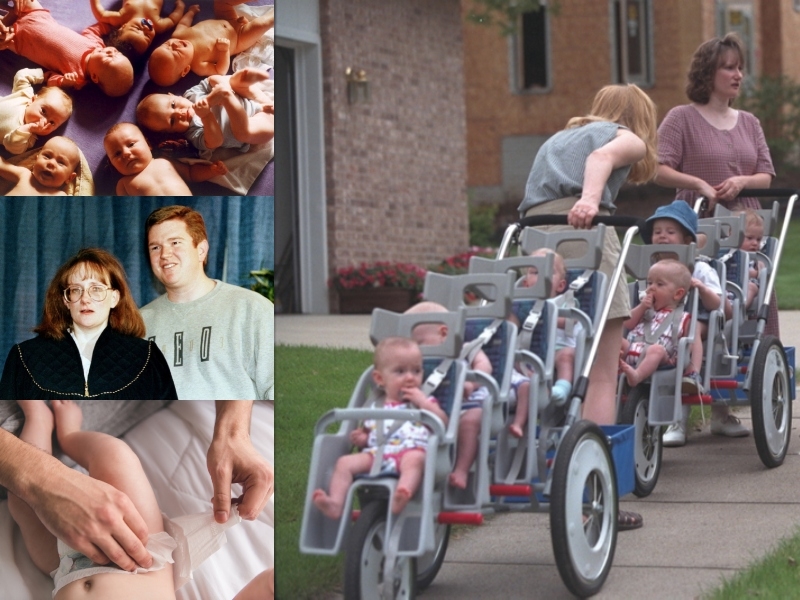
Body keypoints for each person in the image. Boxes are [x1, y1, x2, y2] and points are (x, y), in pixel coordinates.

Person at [517, 83, 657, 531]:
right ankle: (591, 490)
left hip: (535, 238)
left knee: (542, 349)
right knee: (602, 369)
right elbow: (600, 162)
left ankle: (538, 453)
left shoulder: (560, 138)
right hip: (585, 233)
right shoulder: (624, 136)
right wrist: (591, 200)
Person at [655, 32, 779, 339]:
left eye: (740, 68)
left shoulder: (750, 122)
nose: (738, 75)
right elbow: (657, 169)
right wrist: (698, 183)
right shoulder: (680, 118)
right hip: (699, 224)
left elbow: (766, 175)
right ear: (707, 72)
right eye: (729, 67)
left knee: (755, 296)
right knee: (703, 300)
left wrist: (742, 181)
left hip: (746, 227)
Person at [7, 400, 177, 599]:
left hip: (63, 568)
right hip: (136, 550)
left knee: (20, 500)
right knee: (115, 456)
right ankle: (70, 435)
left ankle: (39, 419)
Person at [0, 247, 177, 399]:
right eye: (76, 290)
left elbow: (170, 427)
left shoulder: (147, 356)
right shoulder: (25, 357)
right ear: (65, 300)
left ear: (114, 298)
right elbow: (5, 429)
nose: (85, 299)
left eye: (96, 289)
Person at [641, 200, 748, 445]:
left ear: (687, 239)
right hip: (662, 322)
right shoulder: (653, 268)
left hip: (700, 321)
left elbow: (722, 306)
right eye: (658, 232)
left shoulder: (700, 268)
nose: (662, 237)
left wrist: (700, 289)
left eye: (670, 232)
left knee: (688, 332)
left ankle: (687, 398)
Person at [140, 205, 273, 400]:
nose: (164, 254)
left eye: (175, 243)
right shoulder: (138, 324)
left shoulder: (252, 309)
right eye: (155, 247)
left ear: (201, 250)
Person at [312, 337, 448, 519]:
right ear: (379, 378)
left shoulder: (424, 401)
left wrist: (423, 403)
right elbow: (370, 434)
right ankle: (336, 503)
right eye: (400, 371)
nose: (410, 377)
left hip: (408, 452)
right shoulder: (375, 405)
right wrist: (362, 438)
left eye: (416, 371)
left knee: (416, 460)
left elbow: (442, 422)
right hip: (376, 454)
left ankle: (403, 492)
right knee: (344, 463)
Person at [405, 301, 493, 489]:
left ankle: (461, 469)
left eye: (419, 343)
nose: (417, 349)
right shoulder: (416, 360)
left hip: (467, 404)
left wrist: (471, 383)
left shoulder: (466, 348)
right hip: (433, 407)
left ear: (444, 333)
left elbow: (485, 367)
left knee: (471, 421)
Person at [0, 0, 134, 97]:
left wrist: (63, 82)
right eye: (117, 52)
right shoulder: (97, 45)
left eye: (109, 58)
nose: (111, 51)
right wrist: (110, 26)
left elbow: (49, 78)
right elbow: (92, 31)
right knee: (28, 1)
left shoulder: (77, 78)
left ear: (94, 76)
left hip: (20, 40)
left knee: (2, 37)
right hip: (38, 16)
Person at [509, 248, 577, 438]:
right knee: (514, 359)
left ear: (561, 284)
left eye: (549, 272)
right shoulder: (523, 304)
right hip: (532, 353)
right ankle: (534, 384)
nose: (541, 277)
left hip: (559, 348)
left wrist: (548, 317)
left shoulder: (564, 300)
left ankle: (562, 387)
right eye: (534, 272)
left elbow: (572, 321)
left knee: (567, 356)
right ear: (526, 282)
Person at [136, 68, 274, 160]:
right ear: (171, 132)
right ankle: (227, 97)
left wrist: (224, 86)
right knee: (243, 133)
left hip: (247, 100)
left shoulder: (191, 94)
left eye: (173, 105)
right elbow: (216, 141)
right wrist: (206, 116)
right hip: (254, 123)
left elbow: (211, 79)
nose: (179, 113)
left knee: (230, 82)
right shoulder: (193, 134)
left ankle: (245, 78)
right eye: (172, 121)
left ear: (173, 95)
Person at [147, 0, 274, 86]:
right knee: (261, 24)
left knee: (221, 1)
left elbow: (183, 23)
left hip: (223, 18)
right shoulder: (198, 65)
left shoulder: (177, 35)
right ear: (185, 69)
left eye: (166, 45)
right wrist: (224, 51)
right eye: (176, 53)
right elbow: (220, 71)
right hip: (239, 38)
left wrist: (190, 13)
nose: (174, 45)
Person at [619, 259, 700, 388]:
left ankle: (637, 375)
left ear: (677, 294)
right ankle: (608, 373)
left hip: (661, 356)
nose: (651, 287)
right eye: (649, 283)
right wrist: (641, 307)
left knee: (656, 350)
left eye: (659, 284)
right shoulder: (644, 310)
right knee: (613, 340)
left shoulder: (683, 318)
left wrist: (681, 358)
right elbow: (627, 324)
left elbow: (690, 342)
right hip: (631, 348)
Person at [103, 122, 227, 196]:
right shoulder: (123, 184)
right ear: (112, 164)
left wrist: (211, 171)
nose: (125, 153)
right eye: (117, 154)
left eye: (131, 144)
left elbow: (190, 173)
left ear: (148, 144)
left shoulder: (164, 161)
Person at [0, 67, 73, 154]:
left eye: (52, 122)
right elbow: (21, 76)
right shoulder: (25, 96)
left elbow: (11, 146)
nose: (44, 121)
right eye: (43, 111)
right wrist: (42, 76)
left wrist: (29, 128)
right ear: (33, 100)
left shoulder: (29, 138)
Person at [90, 0, 187, 58]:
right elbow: (172, 20)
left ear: (123, 27)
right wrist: (180, 7)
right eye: (147, 36)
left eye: (137, 28)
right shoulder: (158, 26)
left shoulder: (121, 18)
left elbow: (101, 15)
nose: (145, 28)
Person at [0, 135, 80, 195]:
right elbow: (2, 165)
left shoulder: (61, 196)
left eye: (61, 163)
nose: (51, 163)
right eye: (47, 156)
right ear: (36, 160)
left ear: (69, 177)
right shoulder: (25, 175)